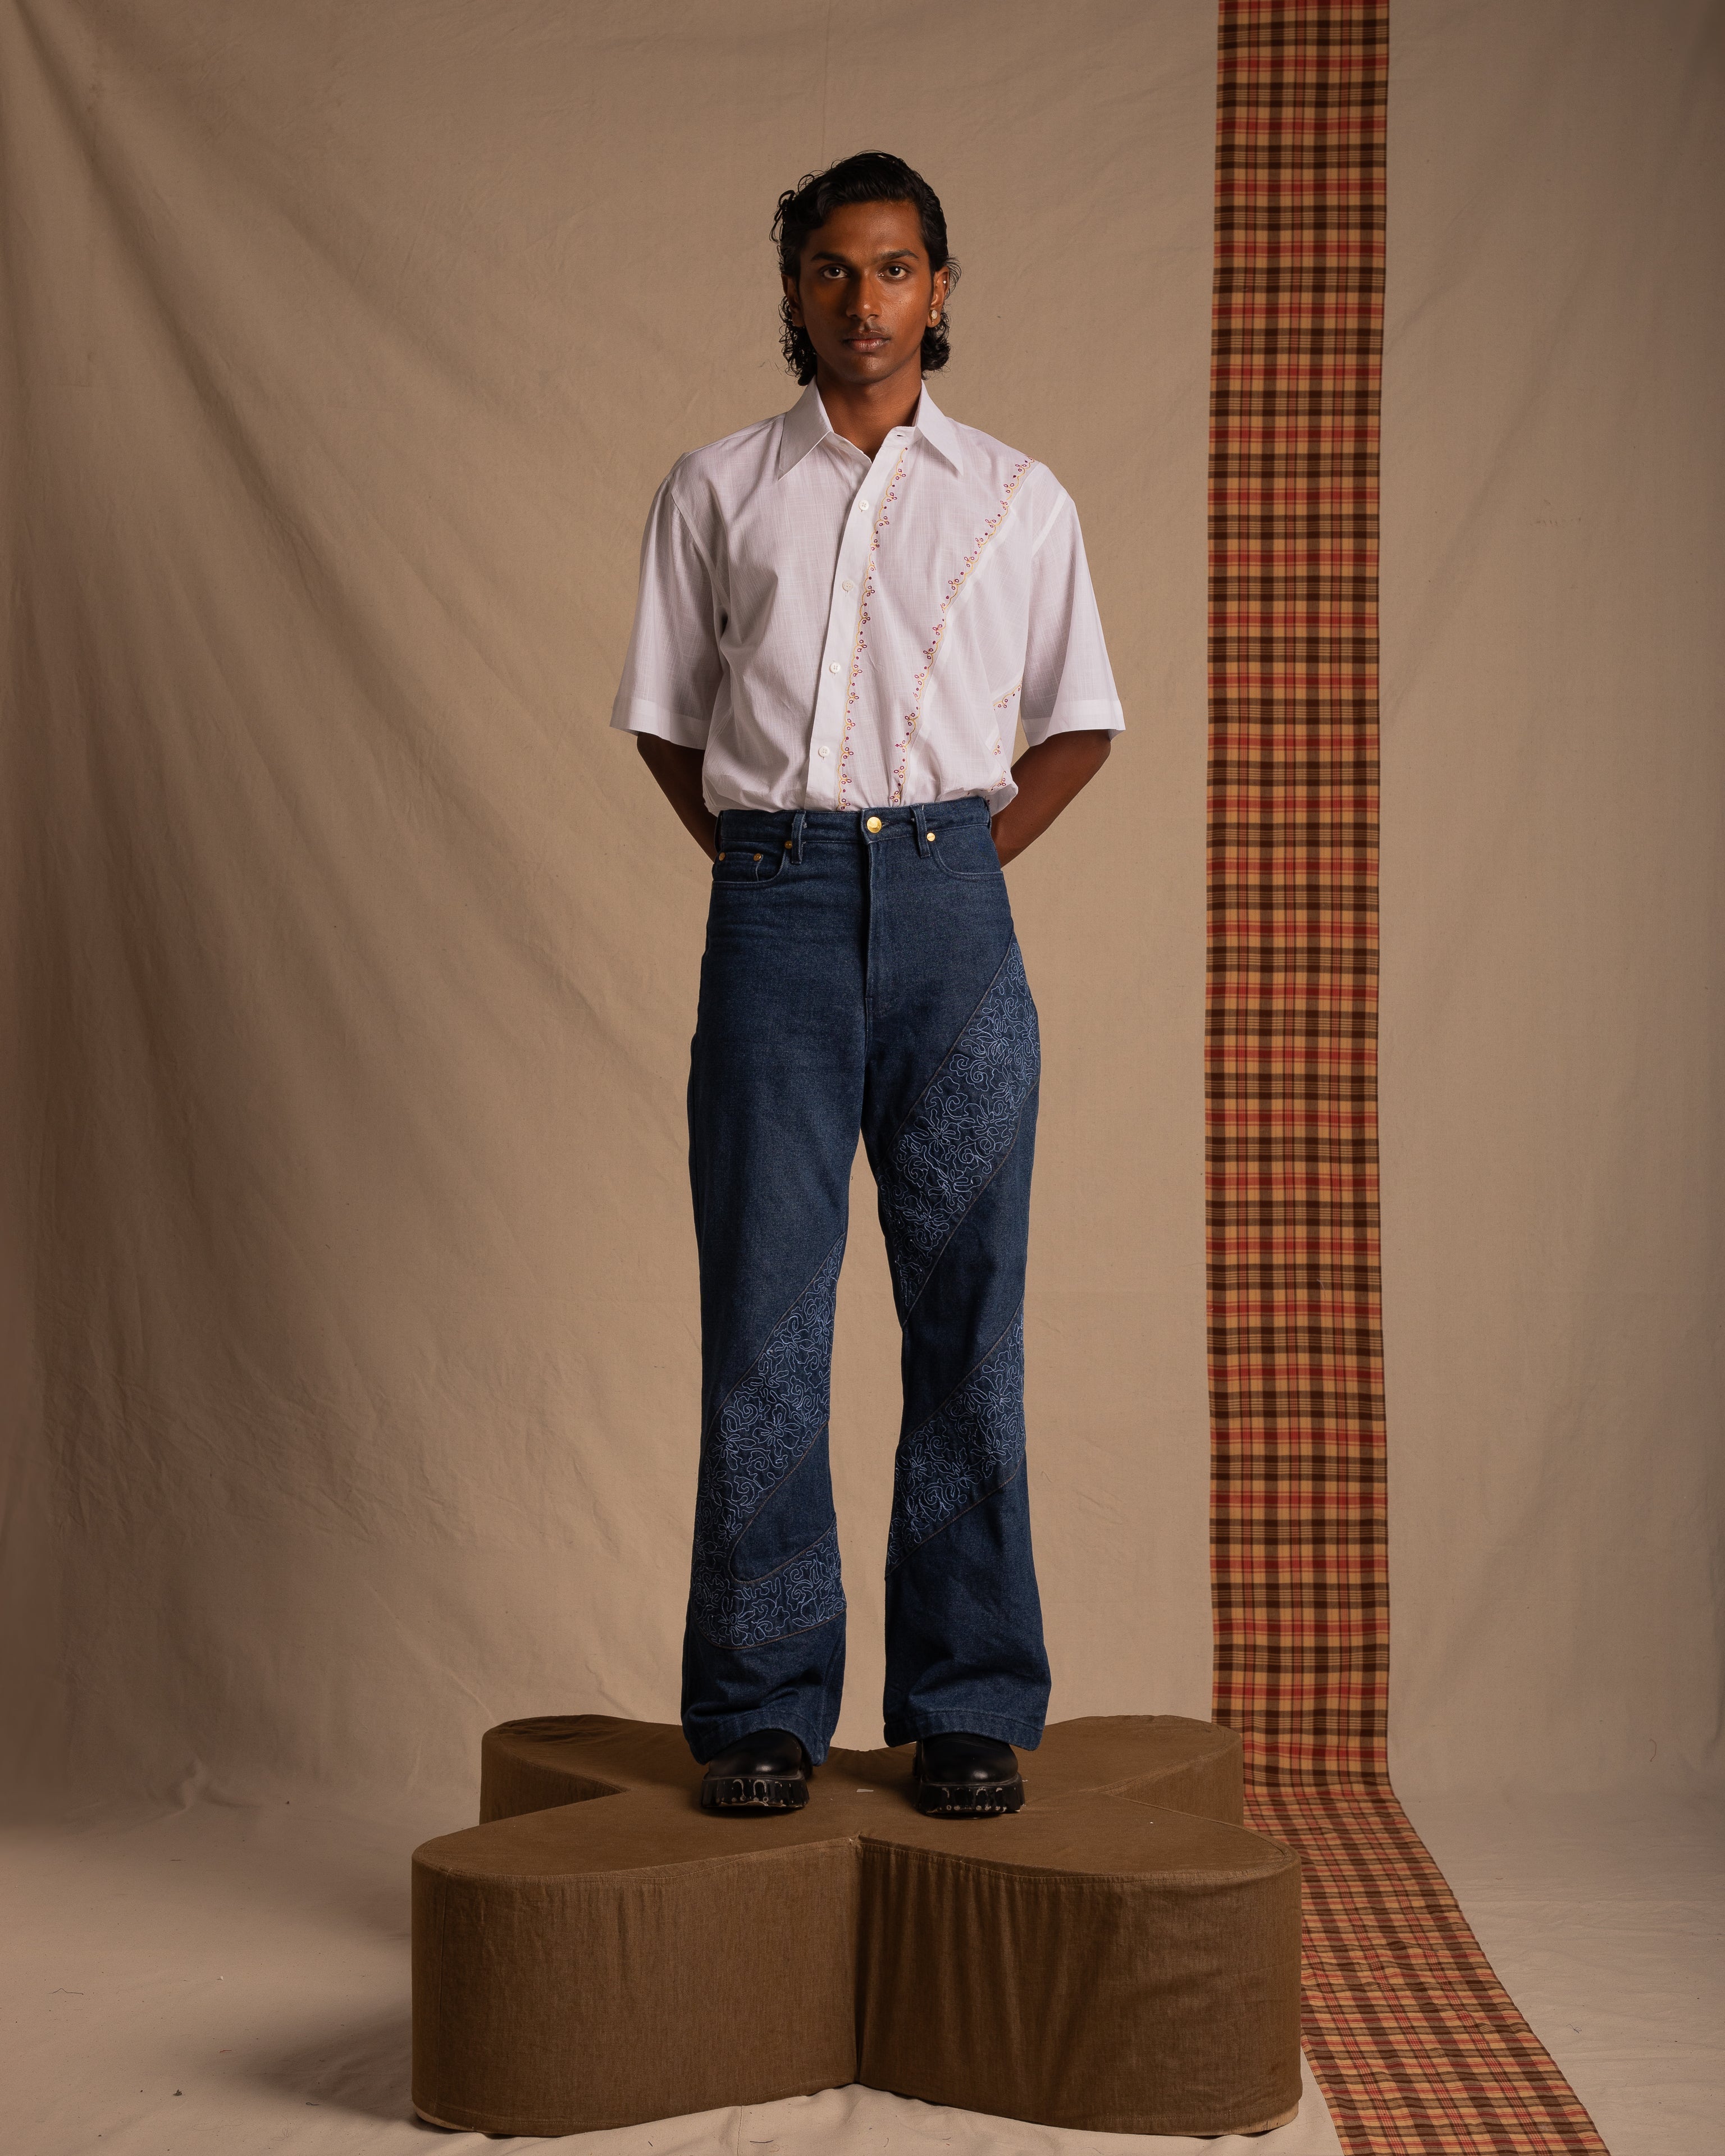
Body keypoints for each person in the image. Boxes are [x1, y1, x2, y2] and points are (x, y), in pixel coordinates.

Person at [611, 151, 1121, 1817]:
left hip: (955, 919)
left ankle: (967, 1703)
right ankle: (760, 1708)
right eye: (832, 269)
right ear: (794, 290)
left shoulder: (1019, 498)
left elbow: (1078, 722)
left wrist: (955, 869)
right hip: (774, 914)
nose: (864, 300)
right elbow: (669, 721)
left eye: (895, 269)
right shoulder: (718, 489)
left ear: (940, 289)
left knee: (967, 1313)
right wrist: (772, 866)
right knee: (765, 1313)